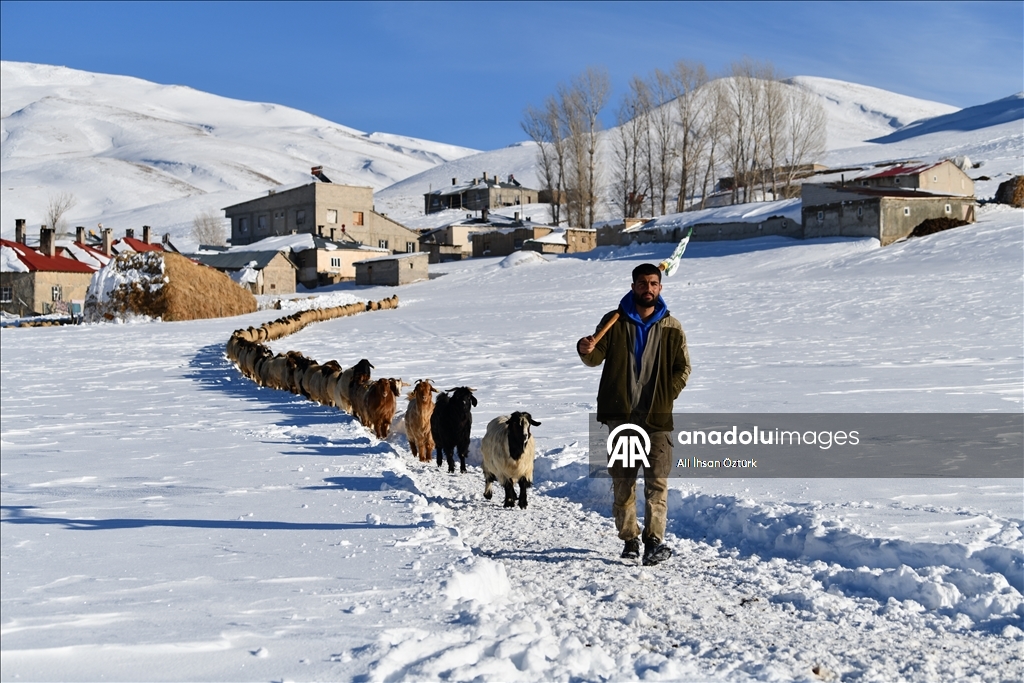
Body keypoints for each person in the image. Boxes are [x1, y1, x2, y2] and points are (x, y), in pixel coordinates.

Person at [577, 263, 691, 565]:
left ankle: (654, 541)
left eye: (653, 283)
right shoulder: (614, 320)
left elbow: (683, 368)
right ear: (633, 287)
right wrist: (585, 348)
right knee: (624, 479)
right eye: (642, 283)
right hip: (623, 416)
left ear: (660, 288)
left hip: (657, 418)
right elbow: (594, 357)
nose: (648, 289)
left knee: (657, 481)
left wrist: (667, 395)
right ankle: (630, 539)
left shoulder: (672, 326)